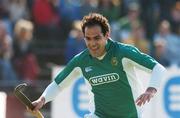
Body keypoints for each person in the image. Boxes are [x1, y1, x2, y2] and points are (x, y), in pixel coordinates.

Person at [32, 13, 166, 118]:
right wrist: (42, 100)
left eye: (97, 38)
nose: (92, 43)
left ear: (107, 35)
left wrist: (151, 90)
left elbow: (157, 68)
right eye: (88, 39)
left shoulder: (123, 52)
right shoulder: (81, 60)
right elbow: (58, 84)